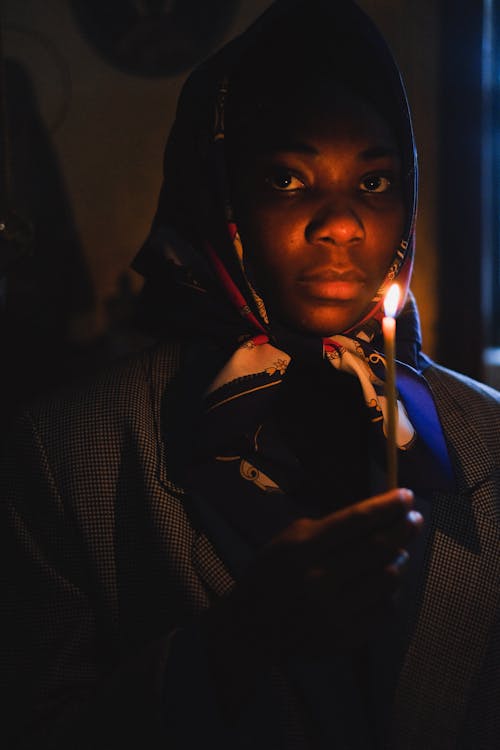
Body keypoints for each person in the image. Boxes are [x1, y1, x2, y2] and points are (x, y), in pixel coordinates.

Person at [2, 0, 500, 747]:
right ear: (221, 196)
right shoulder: (65, 450)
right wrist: (234, 644)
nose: (342, 224)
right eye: (288, 180)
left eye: (374, 182)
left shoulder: (488, 434)